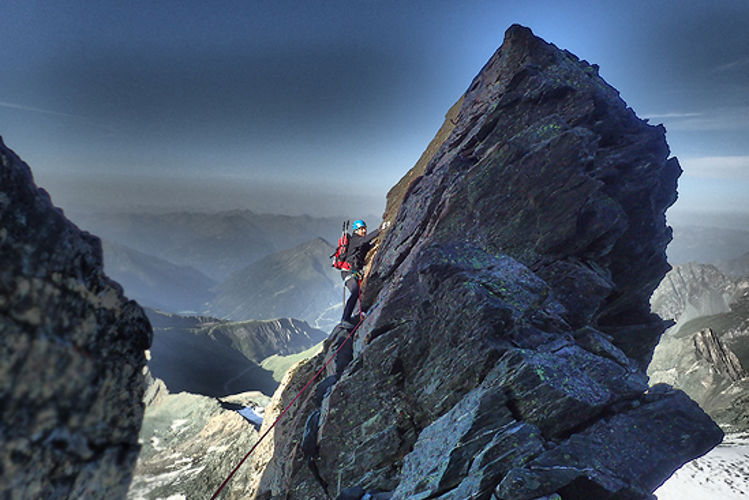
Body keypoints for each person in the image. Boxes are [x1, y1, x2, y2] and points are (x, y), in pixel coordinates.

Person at [340, 219, 387, 326]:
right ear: (356, 230)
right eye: (361, 229)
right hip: (347, 272)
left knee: (359, 293)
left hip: (354, 272)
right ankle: (345, 319)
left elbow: (368, 246)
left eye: (365, 228)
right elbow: (365, 240)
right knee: (356, 292)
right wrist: (379, 230)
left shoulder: (361, 243)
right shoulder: (355, 240)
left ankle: (357, 315)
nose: (364, 231)